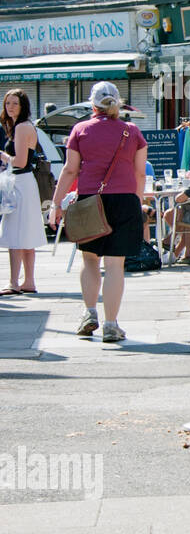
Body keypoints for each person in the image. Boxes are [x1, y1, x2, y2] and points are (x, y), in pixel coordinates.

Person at [48, 82, 148, 343]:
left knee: (90, 259)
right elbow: (140, 172)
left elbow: (70, 170)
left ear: (92, 104)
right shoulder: (132, 131)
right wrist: (137, 202)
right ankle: (111, 325)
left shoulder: (80, 130)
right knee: (115, 264)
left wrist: (56, 205)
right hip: (125, 200)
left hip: (90, 200)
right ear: (119, 103)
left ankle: (89, 313)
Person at [0, 89, 45, 294]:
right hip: (26, 183)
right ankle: (28, 281)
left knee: (14, 234)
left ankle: (13, 282)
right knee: (26, 234)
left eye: (14, 103)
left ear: (23, 105)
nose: (10, 107)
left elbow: (19, 161)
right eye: (7, 103)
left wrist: (2, 155)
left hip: (19, 182)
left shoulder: (20, 128)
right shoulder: (27, 126)